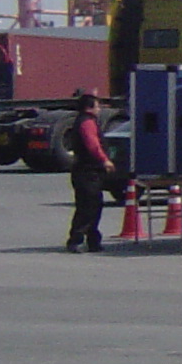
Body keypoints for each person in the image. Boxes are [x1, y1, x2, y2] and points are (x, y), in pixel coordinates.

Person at [66, 92, 115, 253]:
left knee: (94, 205)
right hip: (87, 172)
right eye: (97, 106)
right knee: (87, 207)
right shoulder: (86, 122)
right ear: (89, 108)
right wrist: (104, 160)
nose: (99, 109)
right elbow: (92, 145)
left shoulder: (85, 120)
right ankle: (76, 240)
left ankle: (93, 240)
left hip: (88, 171)